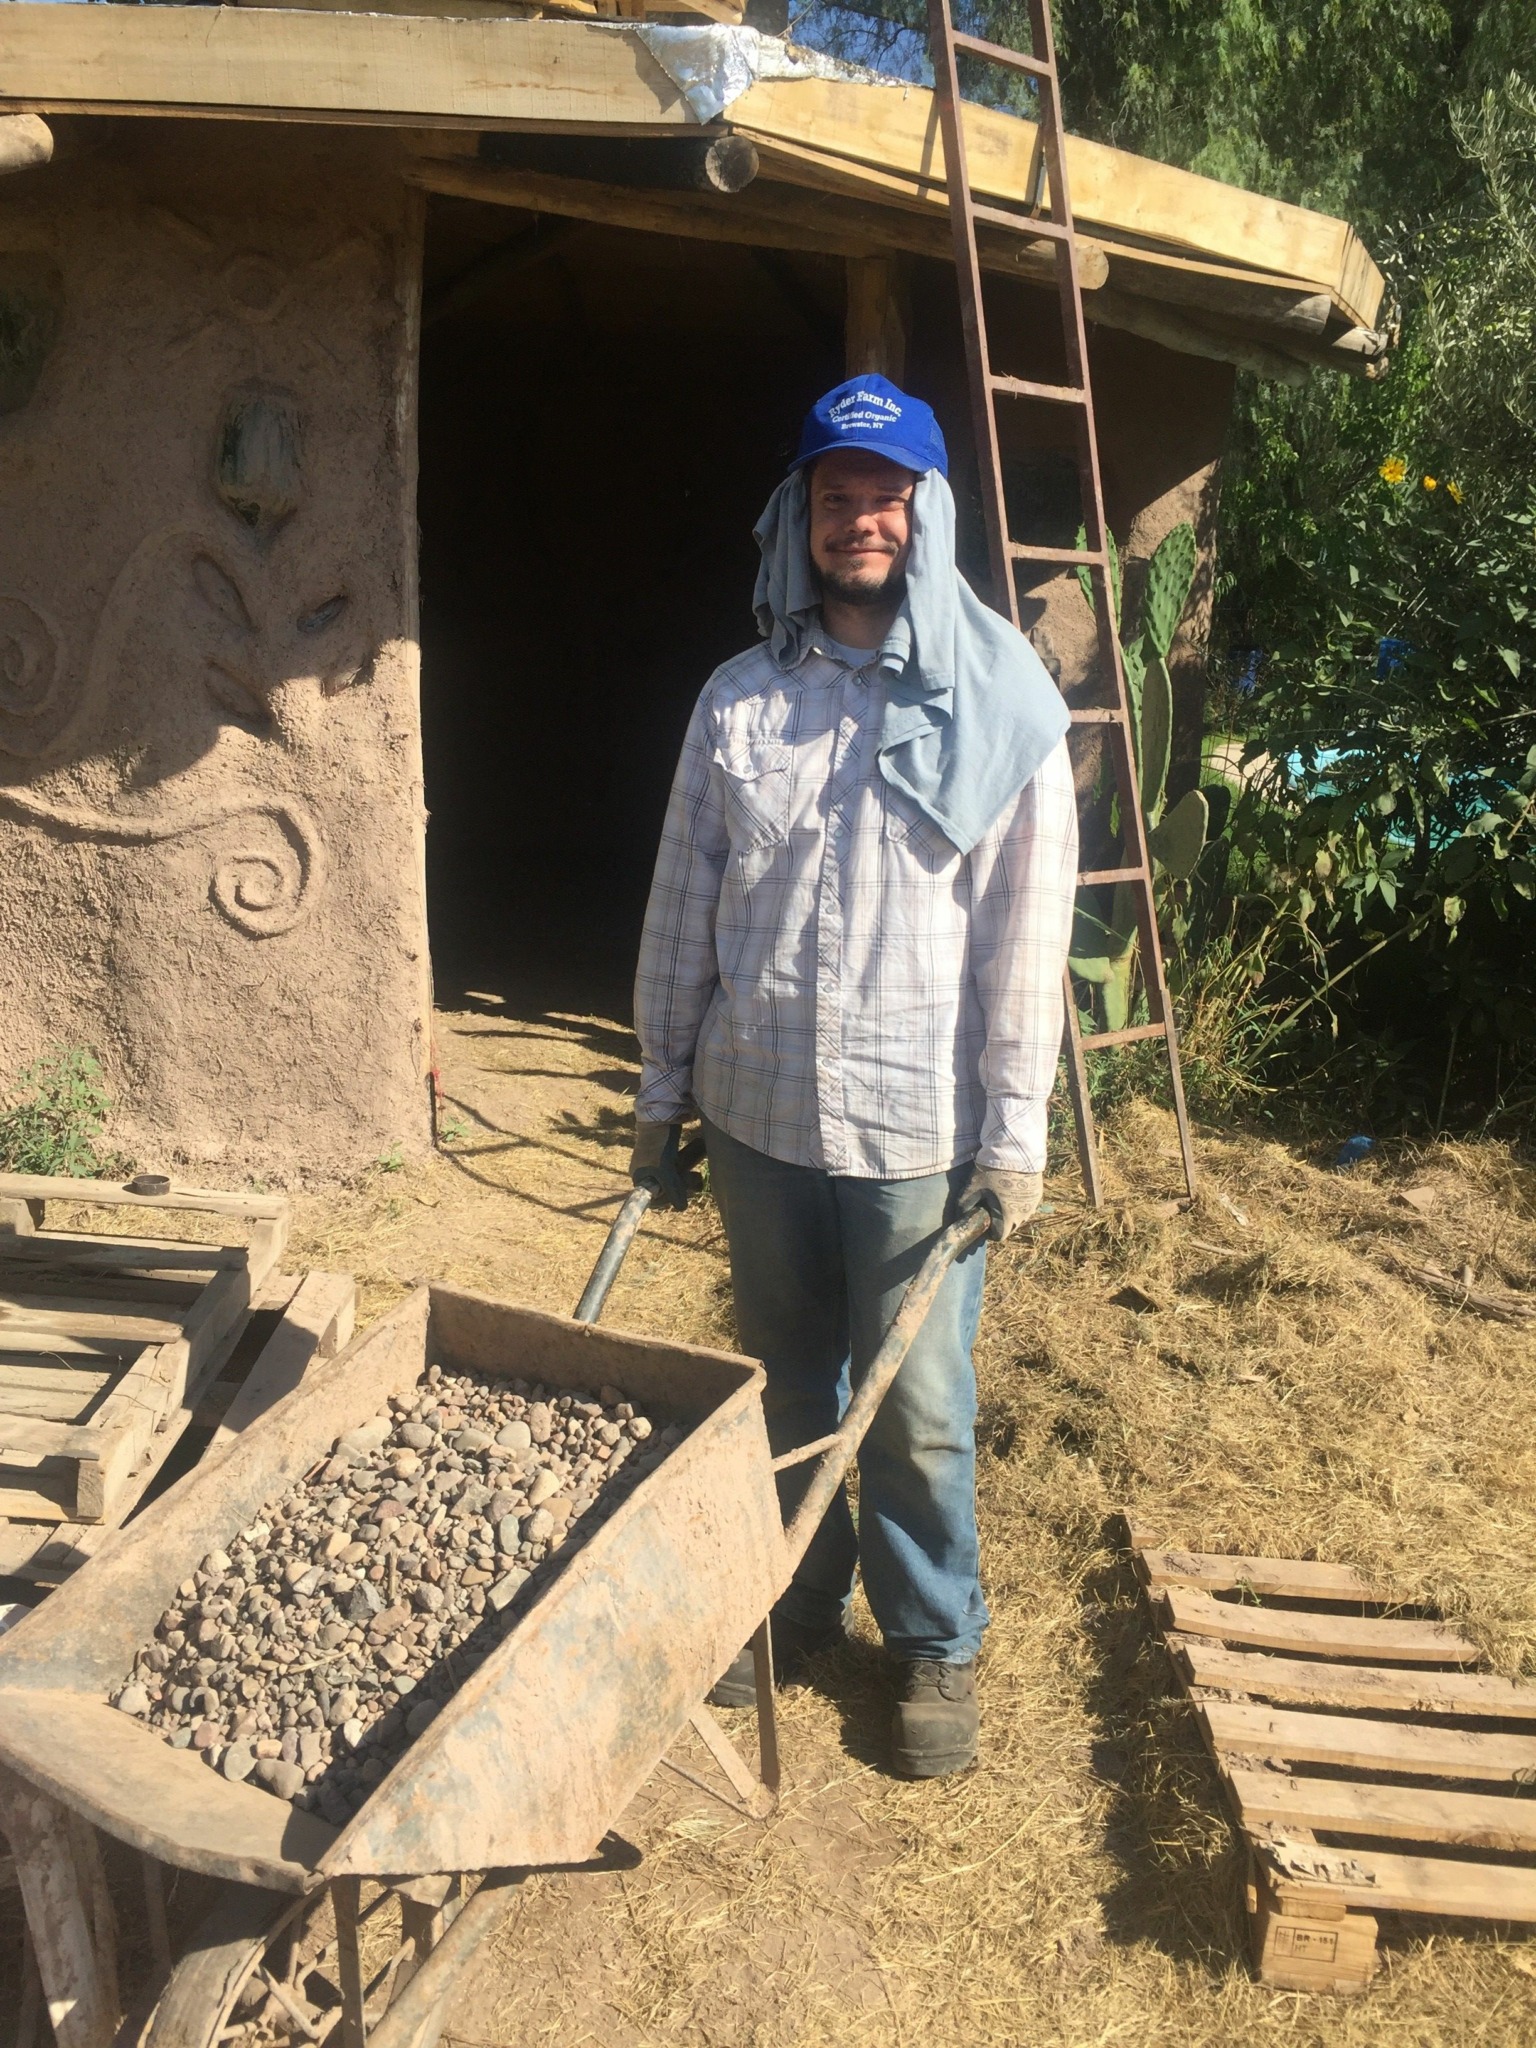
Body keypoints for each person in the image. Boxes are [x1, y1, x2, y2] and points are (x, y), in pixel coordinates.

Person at [630, 376, 1078, 1778]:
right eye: (838, 496)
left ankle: (933, 1639)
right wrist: (659, 1096)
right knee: (783, 1382)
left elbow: (1025, 941)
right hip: (759, 1117)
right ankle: (795, 1599)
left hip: (916, 1133)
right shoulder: (739, 702)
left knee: (923, 1410)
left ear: (926, 517)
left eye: (887, 497)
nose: (861, 520)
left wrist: (1015, 1137)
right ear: (800, 517)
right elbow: (681, 910)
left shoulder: (1001, 707)